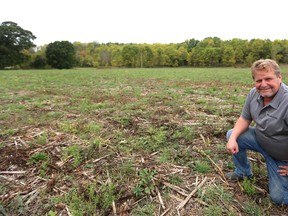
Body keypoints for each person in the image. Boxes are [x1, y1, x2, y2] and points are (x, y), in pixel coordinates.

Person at [225, 59, 288, 205]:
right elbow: (244, 118)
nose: (263, 84)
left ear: (279, 78)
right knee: (233, 134)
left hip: (283, 158)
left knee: (279, 198)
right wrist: (233, 138)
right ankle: (243, 172)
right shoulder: (254, 94)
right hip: (262, 141)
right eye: (259, 80)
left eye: (268, 79)